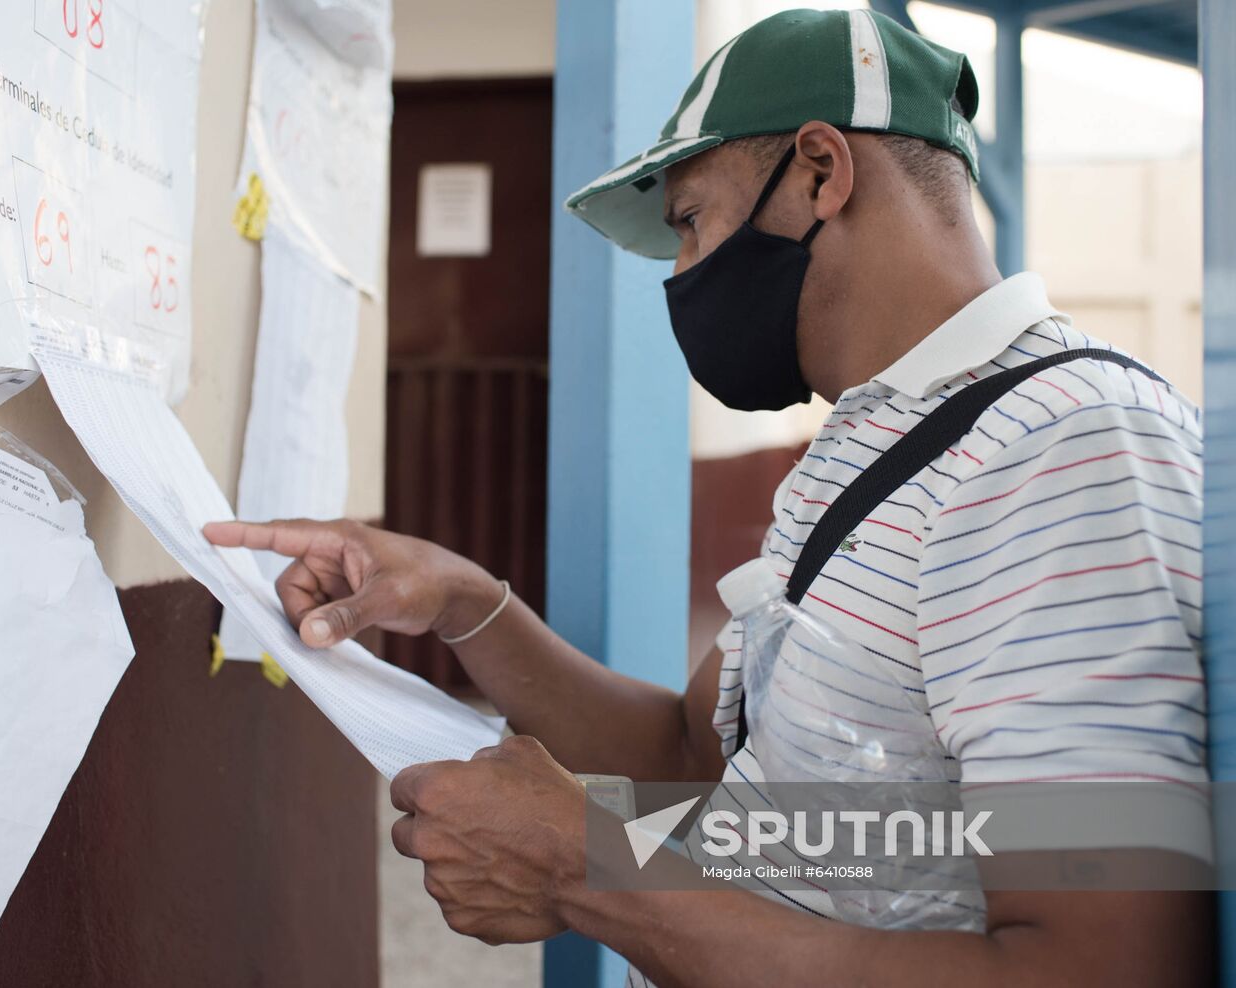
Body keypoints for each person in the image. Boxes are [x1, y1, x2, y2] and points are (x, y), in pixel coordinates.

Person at [206, 9, 1210, 986]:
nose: (683, 275)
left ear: (820, 172)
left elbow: (1098, 965)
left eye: (689, 223)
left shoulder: (1061, 451)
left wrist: (590, 867)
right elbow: (698, 755)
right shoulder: (873, 436)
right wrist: (464, 603)